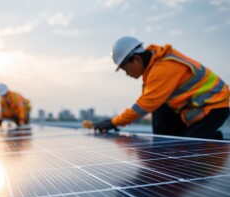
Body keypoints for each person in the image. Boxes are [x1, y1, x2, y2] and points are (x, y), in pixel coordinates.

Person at [94, 36, 230, 140]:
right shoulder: (153, 68)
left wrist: (114, 122)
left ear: (136, 59)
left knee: (190, 144)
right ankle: (205, 137)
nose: (127, 73)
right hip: (196, 108)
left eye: (125, 68)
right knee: (173, 140)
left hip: (215, 105)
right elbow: (149, 104)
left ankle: (213, 139)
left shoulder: (162, 69)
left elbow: (144, 105)